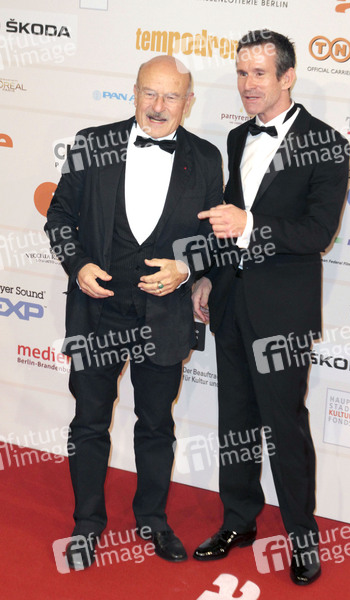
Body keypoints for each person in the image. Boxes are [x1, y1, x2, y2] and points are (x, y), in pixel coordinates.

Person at [45, 55, 223, 569]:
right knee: (89, 423)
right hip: (97, 312)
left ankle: (153, 520)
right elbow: (59, 216)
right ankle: (87, 524)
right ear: (134, 91)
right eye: (150, 92)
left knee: (156, 426)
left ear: (188, 102)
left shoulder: (206, 158)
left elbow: (215, 237)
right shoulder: (92, 143)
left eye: (171, 96)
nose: (158, 106)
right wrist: (77, 264)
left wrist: (186, 269)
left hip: (164, 316)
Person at [192, 29, 350, 585]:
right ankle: (238, 521)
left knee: (285, 428)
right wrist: (208, 277)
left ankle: (303, 539)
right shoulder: (238, 138)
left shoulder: (327, 142)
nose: (247, 84)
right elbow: (227, 222)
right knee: (234, 422)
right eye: (241, 73)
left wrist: (250, 225)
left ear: (288, 76)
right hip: (232, 303)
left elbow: (317, 233)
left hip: (282, 315)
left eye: (259, 73)